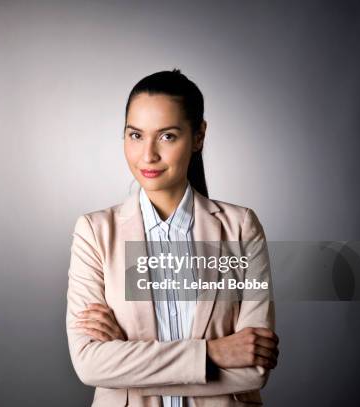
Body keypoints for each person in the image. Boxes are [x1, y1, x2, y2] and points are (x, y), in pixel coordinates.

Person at [65, 69, 279, 407]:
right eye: (135, 135)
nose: (147, 155)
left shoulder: (241, 228)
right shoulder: (95, 232)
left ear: (198, 136)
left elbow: (253, 368)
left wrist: (127, 358)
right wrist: (214, 352)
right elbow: (90, 363)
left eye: (167, 136)